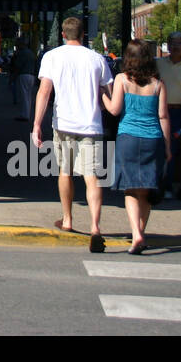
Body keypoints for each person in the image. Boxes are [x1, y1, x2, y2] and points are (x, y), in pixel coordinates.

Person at [33, 17, 114, 252]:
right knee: (92, 176)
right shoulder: (97, 59)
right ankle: (95, 227)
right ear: (83, 35)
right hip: (91, 124)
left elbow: (44, 92)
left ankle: (67, 219)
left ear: (63, 34)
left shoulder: (52, 57)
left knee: (65, 172)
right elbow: (107, 92)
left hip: (64, 123)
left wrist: (37, 124)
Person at [102, 40, 171, 254]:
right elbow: (163, 116)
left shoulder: (122, 79)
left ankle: (136, 234)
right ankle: (142, 230)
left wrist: (103, 96)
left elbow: (114, 110)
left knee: (131, 189)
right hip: (153, 139)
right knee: (147, 189)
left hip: (128, 138)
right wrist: (168, 147)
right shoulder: (158, 84)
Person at [155, 31, 181, 196]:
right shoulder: (159, 63)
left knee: (170, 149)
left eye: (179, 42)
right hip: (157, 110)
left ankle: (167, 185)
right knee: (155, 147)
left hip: (177, 112)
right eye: (172, 42)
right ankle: (154, 183)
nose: (175, 46)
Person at [11, 37, 37, 120]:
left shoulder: (22, 53)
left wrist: (13, 76)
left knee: (24, 95)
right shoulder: (31, 53)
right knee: (28, 95)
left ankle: (24, 115)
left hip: (23, 75)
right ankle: (27, 113)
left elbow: (18, 65)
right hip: (31, 75)